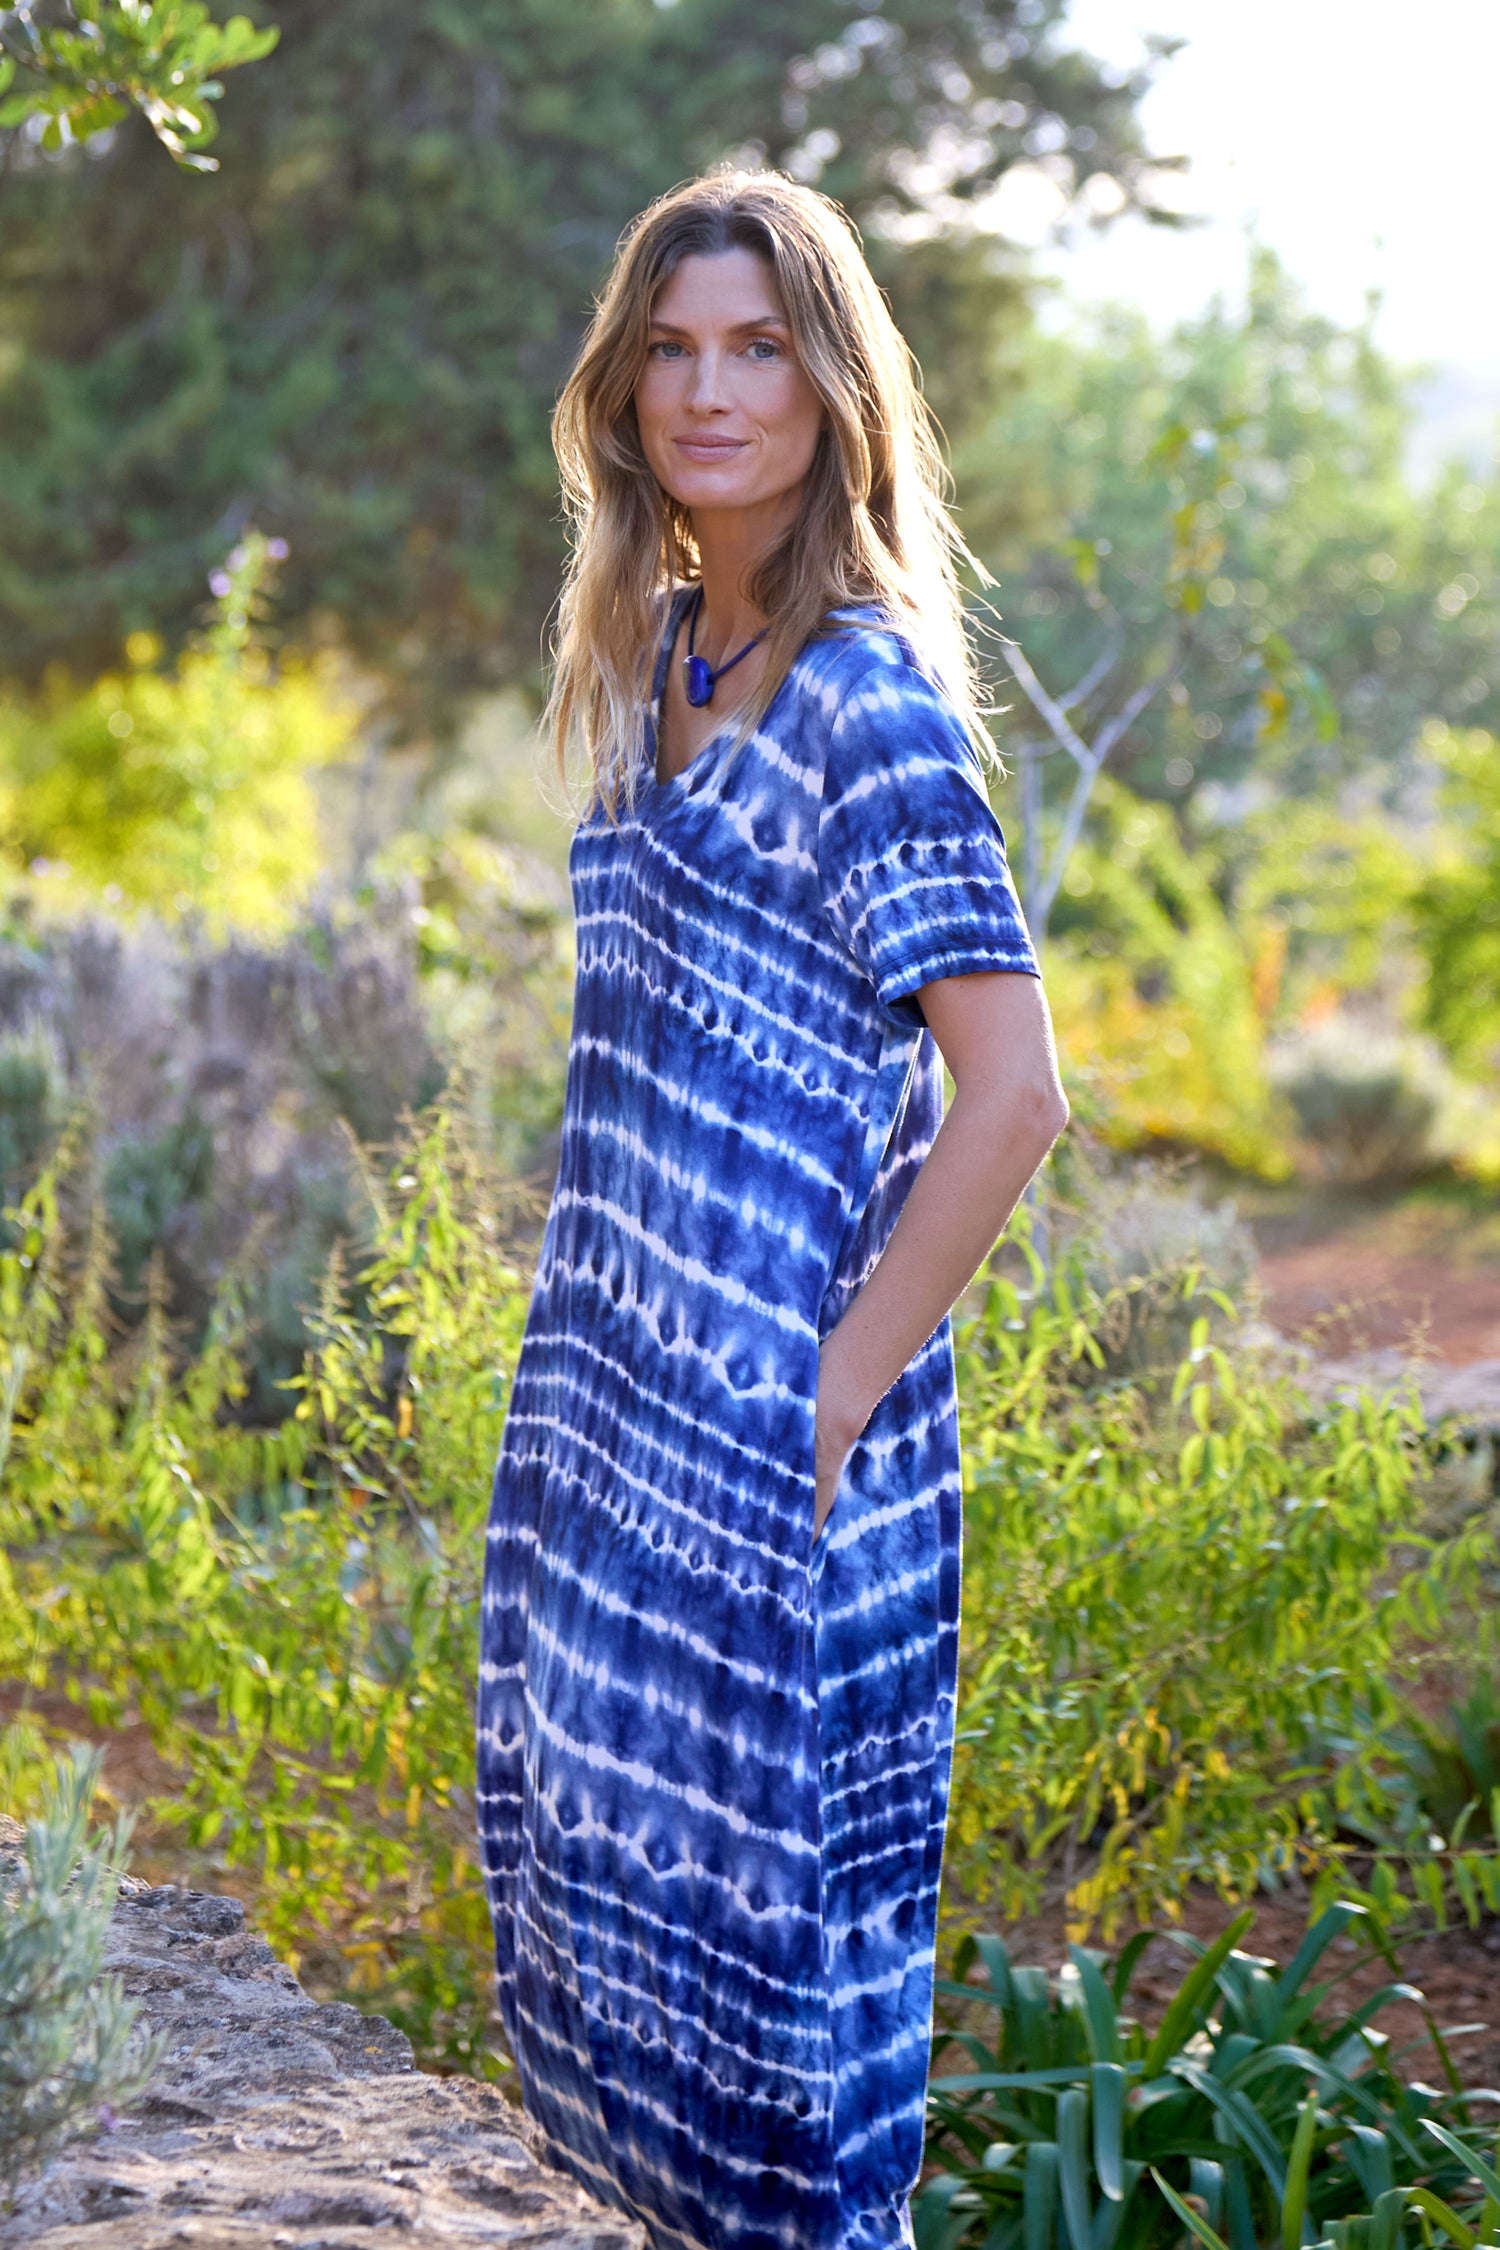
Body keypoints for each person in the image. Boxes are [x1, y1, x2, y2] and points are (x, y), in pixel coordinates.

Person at [475, 167, 1068, 2250]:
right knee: (620, 1969)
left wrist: (816, 1405)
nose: (710, 393)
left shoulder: (864, 701)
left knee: (777, 2034)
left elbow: (1015, 1096)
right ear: (621, 384)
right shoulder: (662, 660)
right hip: (618, 1417)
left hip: (780, 1438)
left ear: (835, 388)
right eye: (671, 348)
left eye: (758, 349)